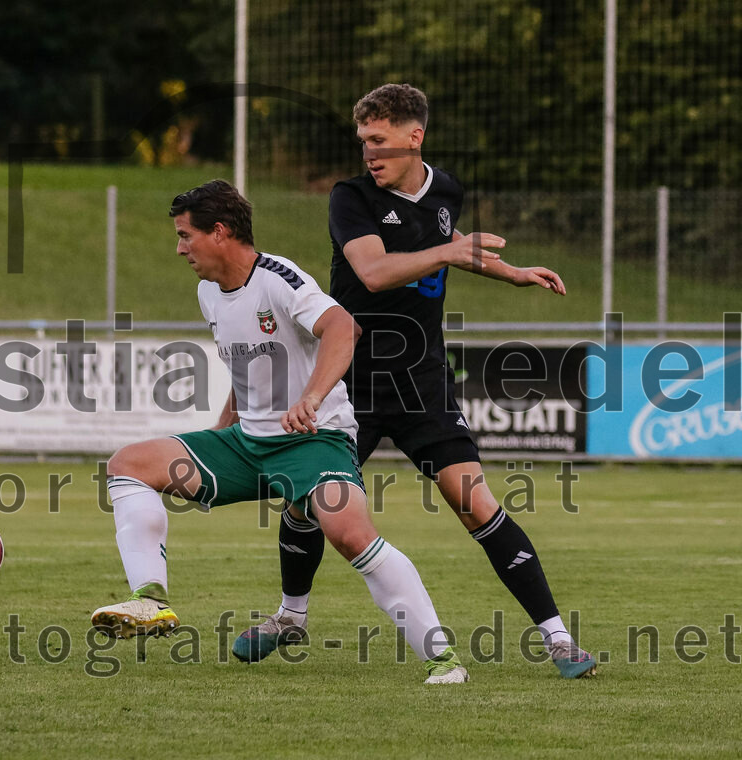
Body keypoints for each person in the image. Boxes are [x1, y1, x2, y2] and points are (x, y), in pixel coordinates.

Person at [234, 84, 596, 678]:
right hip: (347, 380)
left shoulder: (446, 189)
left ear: (414, 137)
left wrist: (512, 273)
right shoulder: (350, 198)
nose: (369, 154)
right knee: (310, 502)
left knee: (476, 505)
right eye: (362, 143)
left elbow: (448, 243)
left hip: (420, 379)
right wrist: (450, 256)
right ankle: (290, 617)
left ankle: (559, 640)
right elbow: (374, 273)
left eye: (379, 141)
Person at [91, 179, 469, 683]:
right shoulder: (209, 292)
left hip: (316, 441)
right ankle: (150, 600)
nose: (180, 248)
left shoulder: (279, 278)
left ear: (220, 232)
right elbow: (249, 370)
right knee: (129, 464)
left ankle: (442, 659)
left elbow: (343, 329)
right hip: (248, 444)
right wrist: (219, 434)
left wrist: (311, 398)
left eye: (186, 236)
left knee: (350, 534)